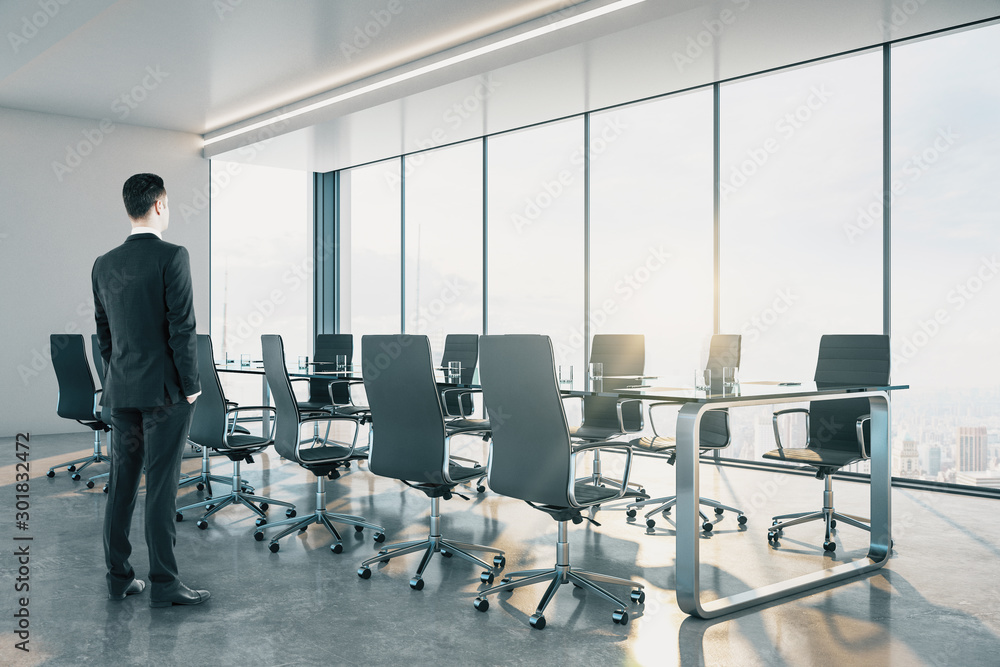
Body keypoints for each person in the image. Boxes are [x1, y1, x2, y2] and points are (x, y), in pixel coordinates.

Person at [93, 173, 210, 607]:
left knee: (122, 484)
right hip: (165, 394)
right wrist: (192, 386)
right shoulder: (172, 256)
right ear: (159, 204)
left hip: (121, 390)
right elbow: (183, 328)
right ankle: (164, 584)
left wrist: (118, 374)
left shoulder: (103, 263)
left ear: (130, 207)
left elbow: (104, 334)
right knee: (162, 485)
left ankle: (118, 578)